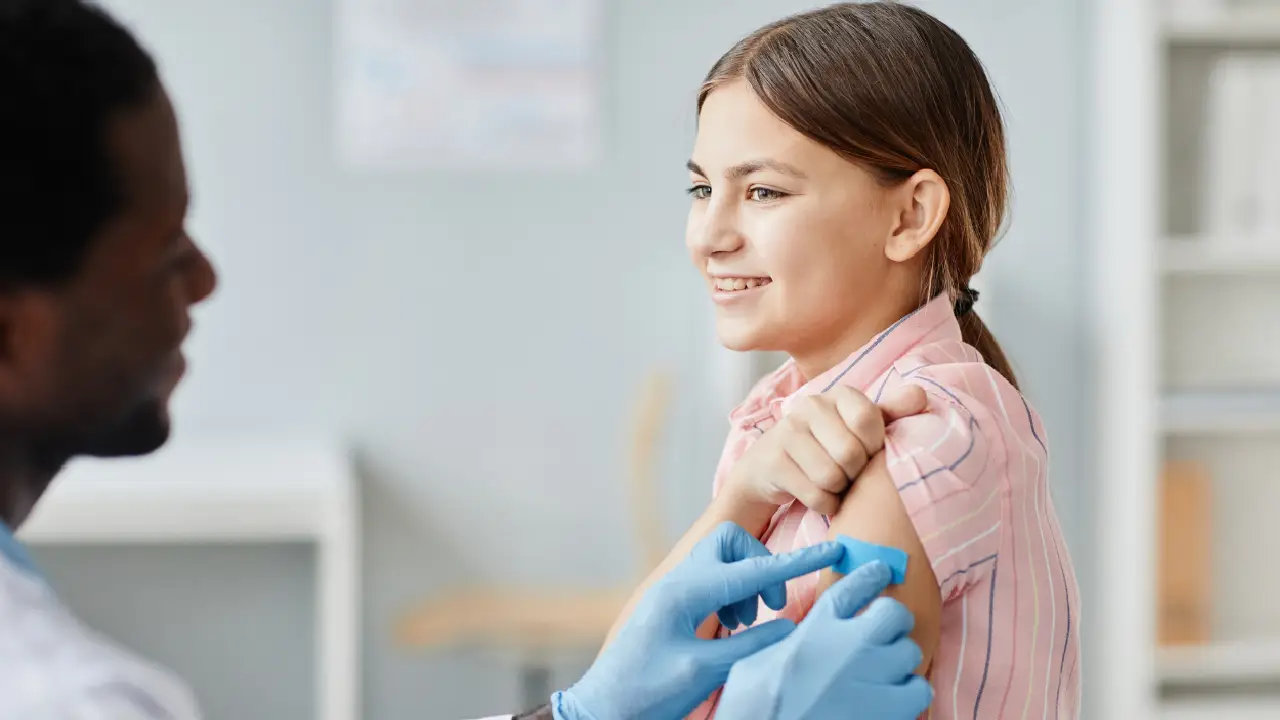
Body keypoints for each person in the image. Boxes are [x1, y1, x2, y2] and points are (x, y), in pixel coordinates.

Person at [0, 1, 934, 719]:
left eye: (764, 190)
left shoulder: (937, 427)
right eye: (164, 251)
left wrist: (576, 713)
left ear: (911, 216)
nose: (205, 279)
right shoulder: (63, 697)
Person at [603, 3, 1083, 718]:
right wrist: (742, 499)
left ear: (910, 216)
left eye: (763, 190)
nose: (708, 235)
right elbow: (625, 686)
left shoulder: (918, 432)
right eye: (702, 188)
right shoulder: (780, 426)